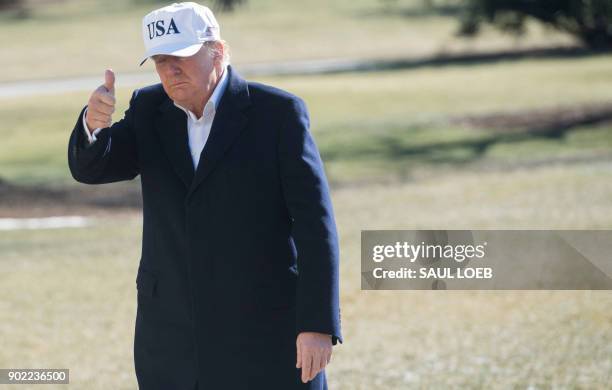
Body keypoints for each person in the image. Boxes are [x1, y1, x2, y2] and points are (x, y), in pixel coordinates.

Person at [67, 2, 342, 389]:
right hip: (172, 338)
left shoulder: (278, 114)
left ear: (219, 50)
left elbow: (316, 226)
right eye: (160, 60)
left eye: (181, 55)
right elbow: (94, 168)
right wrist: (93, 127)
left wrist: (317, 324)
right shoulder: (149, 109)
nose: (170, 69)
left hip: (264, 332)